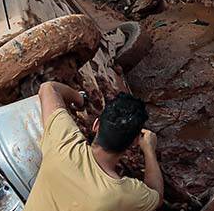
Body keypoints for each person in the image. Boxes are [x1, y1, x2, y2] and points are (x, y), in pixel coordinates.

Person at [24, 82, 164, 211]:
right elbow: (156, 197)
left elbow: (48, 88)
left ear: (96, 125)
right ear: (134, 143)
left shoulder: (63, 145)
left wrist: (80, 99)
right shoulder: (123, 195)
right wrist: (149, 151)